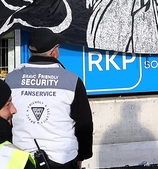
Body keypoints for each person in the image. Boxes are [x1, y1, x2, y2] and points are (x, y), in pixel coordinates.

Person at [6, 30, 93, 169]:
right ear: (54, 52)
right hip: (62, 159)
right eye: (57, 47)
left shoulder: (11, 79)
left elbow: (3, 118)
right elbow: (84, 123)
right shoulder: (71, 80)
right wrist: (82, 155)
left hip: (22, 158)